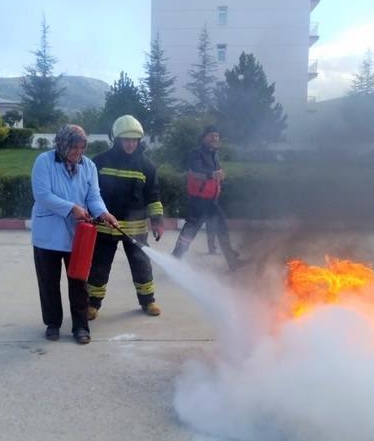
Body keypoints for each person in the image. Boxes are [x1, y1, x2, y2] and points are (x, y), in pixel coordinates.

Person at [30, 124, 118, 344]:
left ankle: (80, 326)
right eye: (73, 147)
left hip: (77, 237)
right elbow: (42, 195)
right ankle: (52, 324)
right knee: (49, 282)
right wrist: (71, 208)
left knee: (79, 281)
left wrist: (104, 213)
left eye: (82, 147)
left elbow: (93, 197)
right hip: (47, 235)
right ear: (62, 144)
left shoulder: (88, 166)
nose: (78, 152)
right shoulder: (44, 161)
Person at [87, 115, 164, 319]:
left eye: (134, 140)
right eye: (126, 139)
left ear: (139, 140)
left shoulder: (147, 166)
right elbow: (89, 192)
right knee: (99, 267)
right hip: (105, 227)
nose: (130, 144)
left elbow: (153, 196)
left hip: (135, 228)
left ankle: (148, 301)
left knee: (141, 265)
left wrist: (157, 221)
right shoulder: (100, 162)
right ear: (116, 139)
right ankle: (92, 304)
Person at [171, 125, 245, 271]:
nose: (214, 138)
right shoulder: (197, 153)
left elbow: (215, 174)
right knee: (190, 231)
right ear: (204, 137)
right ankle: (174, 260)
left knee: (222, 228)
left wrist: (219, 177)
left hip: (212, 201)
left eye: (216, 136)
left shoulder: (214, 154)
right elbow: (196, 171)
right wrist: (213, 174)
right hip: (198, 201)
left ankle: (232, 262)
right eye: (211, 135)